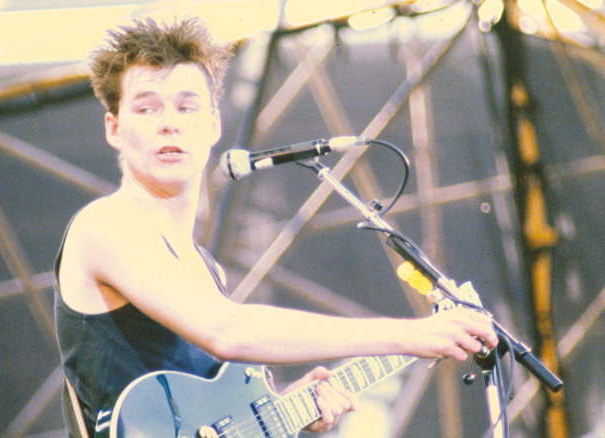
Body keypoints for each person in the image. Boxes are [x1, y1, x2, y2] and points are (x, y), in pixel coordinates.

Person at [54, 16, 498, 437]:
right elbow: (227, 331)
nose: (169, 122)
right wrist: (414, 335)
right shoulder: (104, 227)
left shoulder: (203, 269)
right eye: (146, 108)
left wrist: (281, 412)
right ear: (114, 128)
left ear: (213, 124)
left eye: (187, 107)